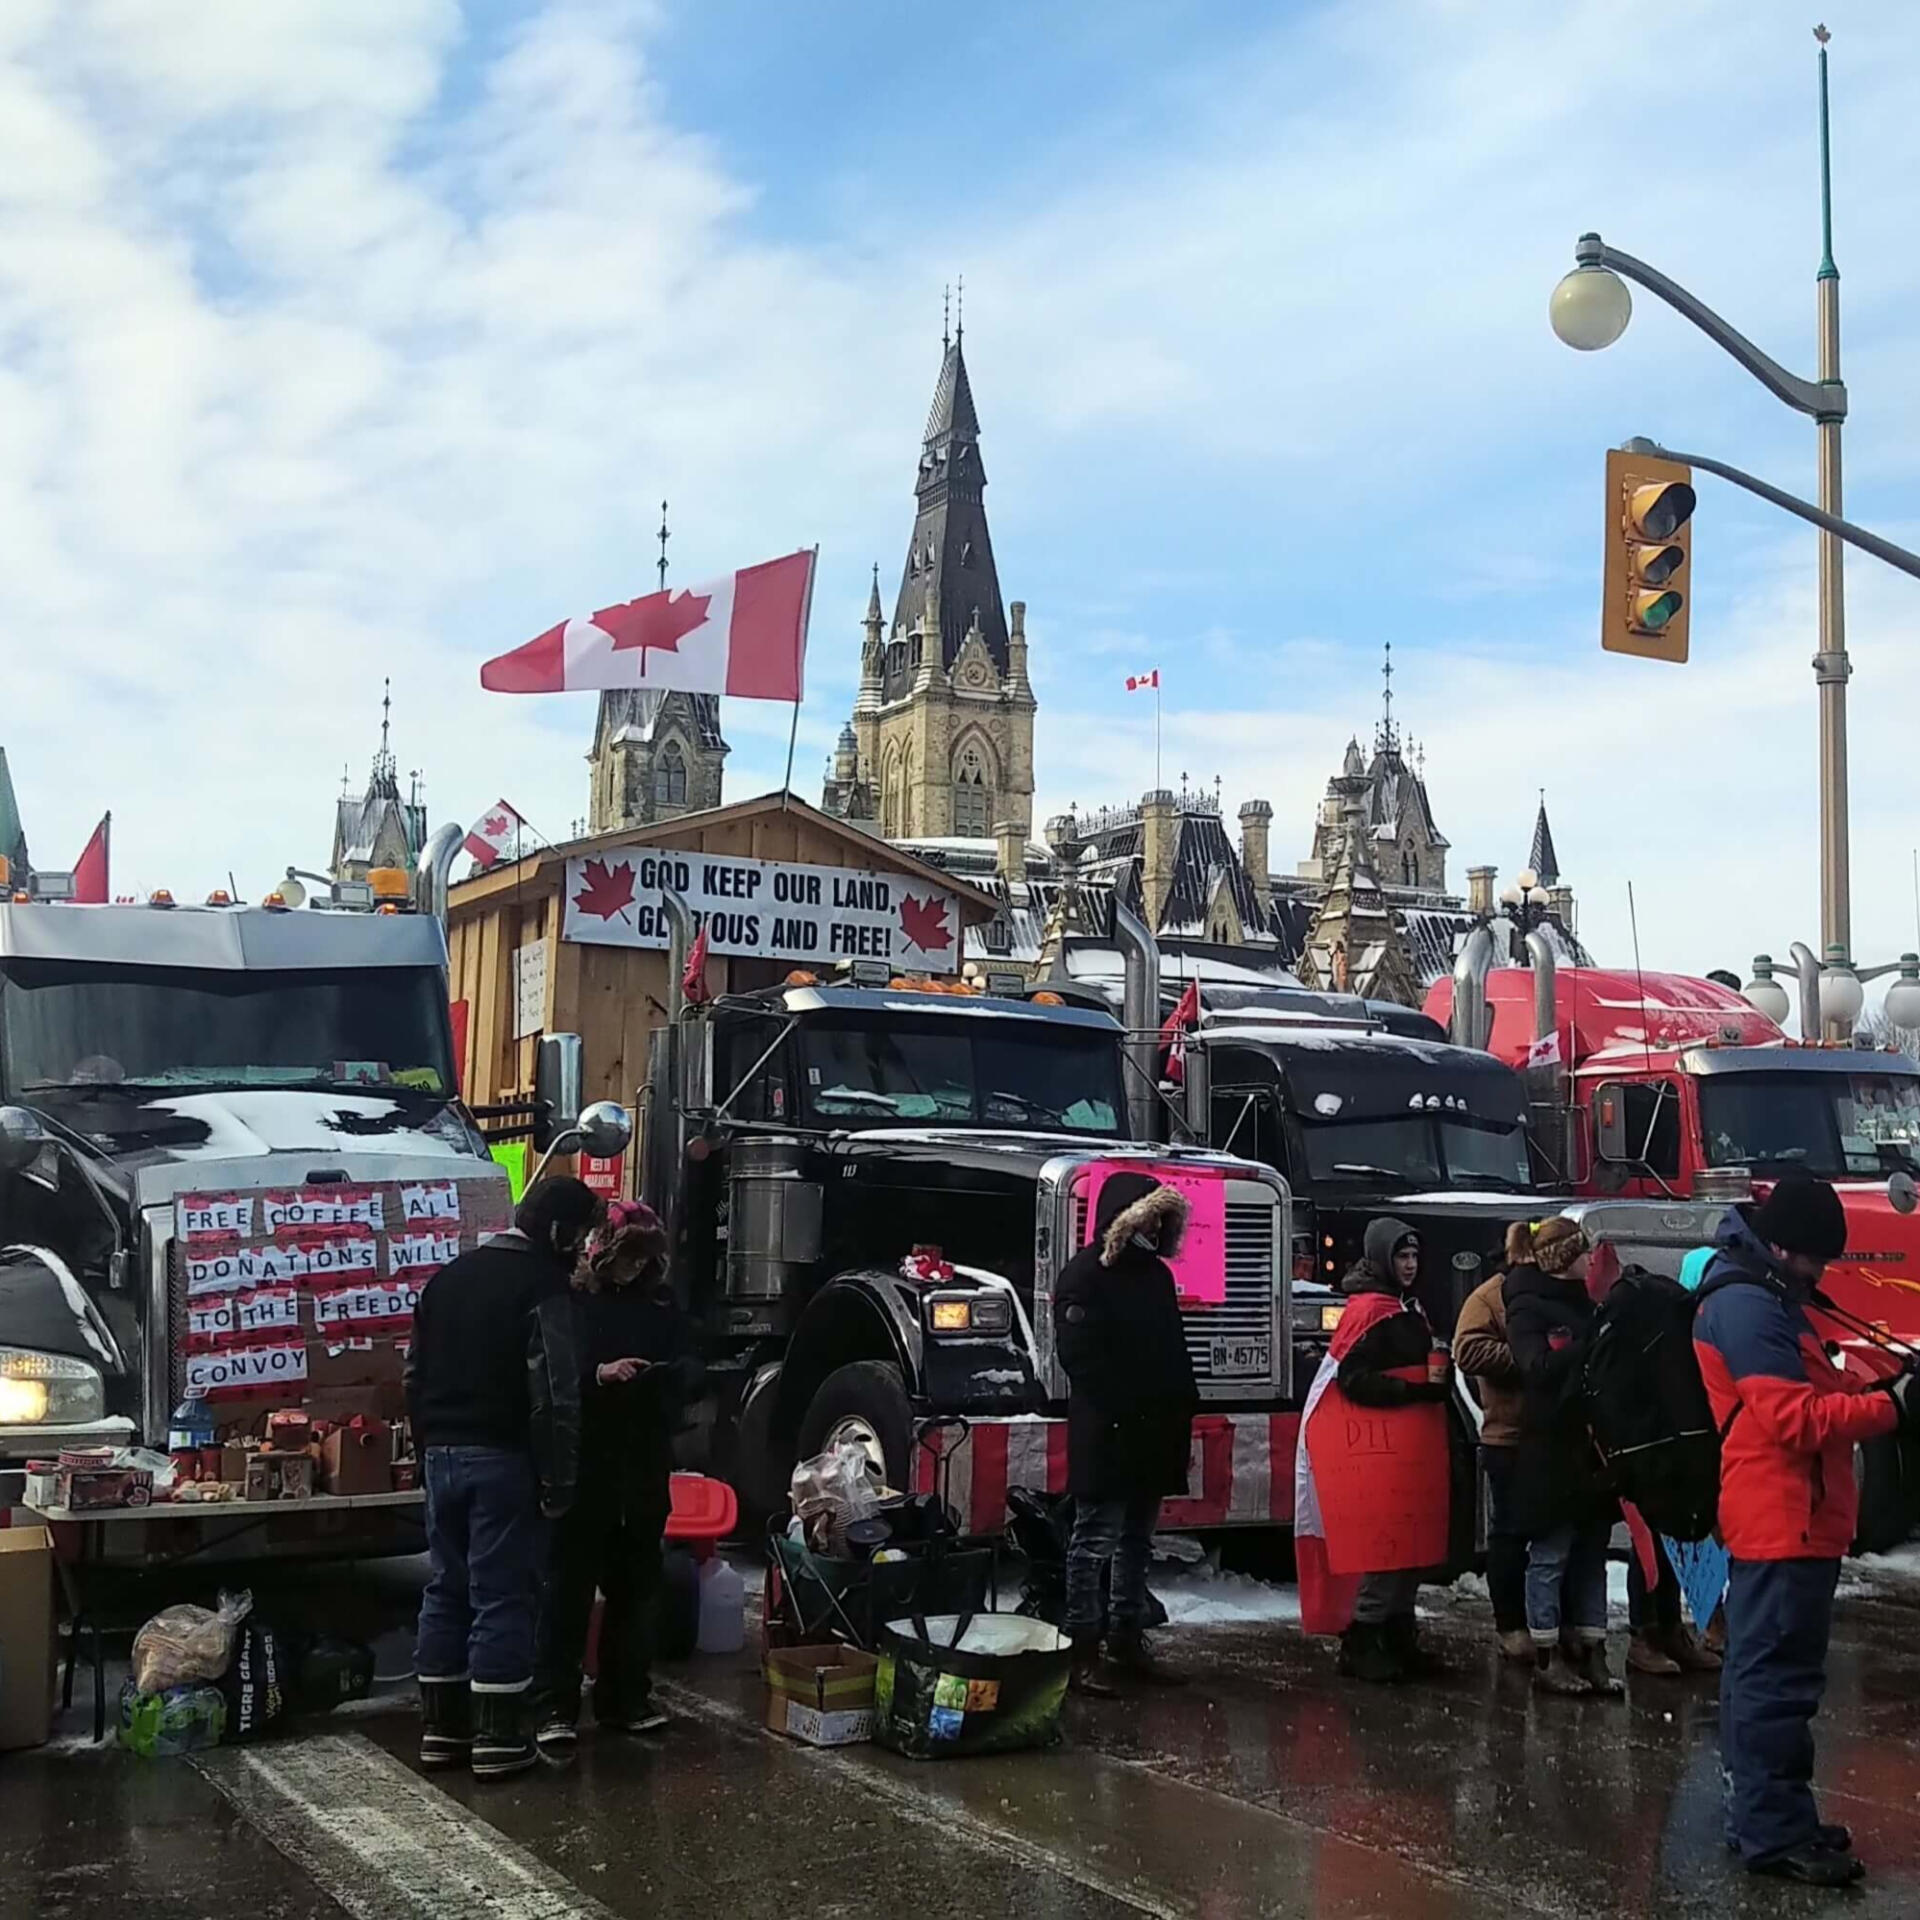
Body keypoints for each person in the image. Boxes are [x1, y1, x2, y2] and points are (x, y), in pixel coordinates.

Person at [1694, 1171, 1915, 1887]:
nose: (1823, 1270)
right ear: (1784, 1245)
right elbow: (1792, 1421)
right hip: (1783, 1516)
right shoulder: (1752, 1311)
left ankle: (1768, 1817)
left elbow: (1814, 1393)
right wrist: (1895, 1409)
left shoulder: (1767, 1299)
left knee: (1768, 1678)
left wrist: (1879, 1386)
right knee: (1775, 1684)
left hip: (1790, 1517)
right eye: (1818, 1256)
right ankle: (1772, 1830)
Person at [408, 1177, 594, 1778]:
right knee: (504, 1595)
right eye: (583, 1236)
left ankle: (441, 1731)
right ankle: (499, 1738)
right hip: (505, 1457)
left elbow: (413, 1375)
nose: (585, 1249)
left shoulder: (447, 1279)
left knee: (446, 1587)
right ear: (560, 1234)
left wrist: (425, 1449)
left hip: (442, 1454)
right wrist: (560, 1483)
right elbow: (557, 1394)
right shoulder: (542, 1287)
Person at [537, 1201, 701, 1756]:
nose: (634, 1267)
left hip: (642, 1462)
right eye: (627, 1256)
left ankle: (625, 1697)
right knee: (569, 1588)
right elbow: (552, 1376)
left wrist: (669, 1378)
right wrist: (598, 1377)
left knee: (636, 1586)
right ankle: (555, 1704)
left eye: (643, 1258)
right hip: (585, 1463)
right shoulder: (571, 1301)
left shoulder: (660, 1306)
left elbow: (691, 1365)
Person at [1054, 1172, 1198, 1695]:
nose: (1158, 1227)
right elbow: (1079, 1356)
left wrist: (1183, 1404)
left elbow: (1172, 1349)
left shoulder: (1156, 1277)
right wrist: (1125, 1407)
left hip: (1153, 1429)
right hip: (1110, 1430)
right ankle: (1082, 1647)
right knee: (1094, 1541)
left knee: (1136, 1541)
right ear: (1127, 1217)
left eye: (1164, 1219)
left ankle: (1126, 1635)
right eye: (1151, 1216)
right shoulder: (1086, 1275)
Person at [1503, 1216, 1621, 1699]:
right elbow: (1536, 1367)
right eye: (1582, 1253)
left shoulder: (1590, 1306)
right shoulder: (1528, 1306)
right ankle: (1547, 1653)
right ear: (1563, 1260)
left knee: (1592, 1552)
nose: (1590, 1259)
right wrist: (1589, 1348)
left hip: (1590, 1446)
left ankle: (1592, 1647)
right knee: (1550, 1553)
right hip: (1550, 1449)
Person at [1331, 1217, 1451, 1682]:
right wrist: (1411, 1392)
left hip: (1410, 1445)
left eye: (1415, 1256)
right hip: (1383, 1448)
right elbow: (1351, 1379)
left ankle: (1398, 1636)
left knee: (1410, 1545)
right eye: (1402, 1256)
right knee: (1386, 1548)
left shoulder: (1405, 1308)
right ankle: (1363, 1639)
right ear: (1383, 1257)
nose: (1410, 1264)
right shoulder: (1370, 1312)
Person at [1453, 1266, 1532, 1662]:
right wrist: (1527, 1355)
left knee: (1558, 1540)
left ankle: (1555, 1628)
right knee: (1510, 1533)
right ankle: (1512, 1626)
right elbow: (1466, 1350)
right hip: (1508, 1434)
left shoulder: (1564, 1292)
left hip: (1557, 1436)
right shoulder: (1490, 1297)